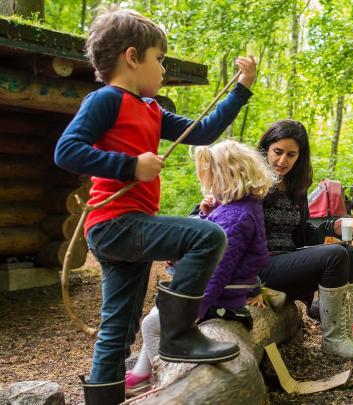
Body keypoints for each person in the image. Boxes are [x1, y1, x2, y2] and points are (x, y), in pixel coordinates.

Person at [53, 7, 256, 404]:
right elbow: (66, 151)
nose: (163, 70)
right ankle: (179, 335)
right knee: (208, 236)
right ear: (132, 57)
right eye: (159, 59)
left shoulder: (150, 108)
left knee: (120, 326)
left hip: (130, 229)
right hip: (115, 223)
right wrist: (130, 166)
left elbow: (205, 131)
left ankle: (103, 398)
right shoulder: (106, 100)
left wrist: (242, 87)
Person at [124, 140, 275, 395]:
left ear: (227, 176)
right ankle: (141, 374)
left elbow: (219, 269)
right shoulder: (237, 208)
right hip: (225, 292)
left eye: (211, 178)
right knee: (155, 315)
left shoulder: (236, 216)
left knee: (152, 325)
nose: (209, 185)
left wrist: (194, 308)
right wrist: (207, 214)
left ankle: (163, 371)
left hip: (222, 298)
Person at [256, 119, 353, 359]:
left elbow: (301, 235)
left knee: (350, 252)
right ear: (266, 149)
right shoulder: (252, 182)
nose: (283, 161)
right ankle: (333, 340)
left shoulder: (295, 187)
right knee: (333, 256)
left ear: (299, 157)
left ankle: (345, 332)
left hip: (285, 262)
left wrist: (330, 227)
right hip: (259, 268)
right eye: (277, 152)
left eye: (291, 155)